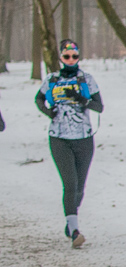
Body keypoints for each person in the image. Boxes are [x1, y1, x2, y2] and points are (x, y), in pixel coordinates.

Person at [35, 39, 102, 248]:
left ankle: (70, 219)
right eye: (67, 56)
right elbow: (38, 99)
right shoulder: (52, 79)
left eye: (74, 56)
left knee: (80, 187)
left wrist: (82, 100)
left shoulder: (87, 79)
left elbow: (99, 107)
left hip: (84, 139)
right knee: (70, 184)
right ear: (61, 58)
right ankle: (74, 231)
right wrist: (49, 112)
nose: (71, 59)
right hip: (59, 138)